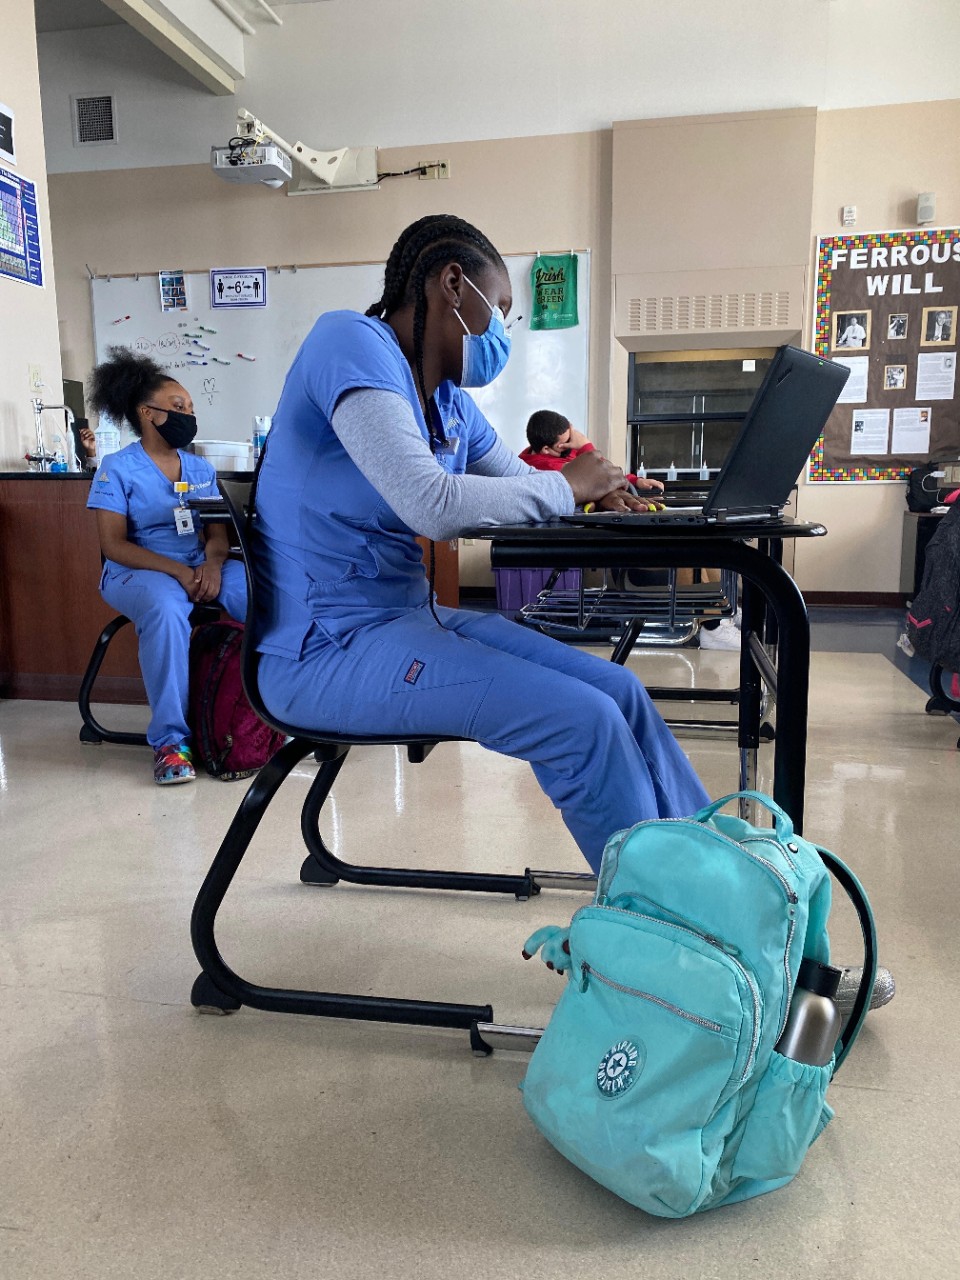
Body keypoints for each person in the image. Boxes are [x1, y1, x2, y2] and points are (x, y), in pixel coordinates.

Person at [252, 214, 709, 873]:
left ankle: (708, 878)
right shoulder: (349, 342)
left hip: (407, 623)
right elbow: (431, 503)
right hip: (320, 652)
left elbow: (525, 484)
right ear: (451, 284)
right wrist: (567, 486)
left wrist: (600, 488)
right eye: (498, 309)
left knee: (619, 694)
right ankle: (664, 930)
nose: (502, 331)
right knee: (582, 724)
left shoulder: (449, 404)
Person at [86, 347, 248, 785]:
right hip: (135, 571)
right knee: (167, 607)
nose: (188, 416)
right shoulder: (117, 469)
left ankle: (279, 714)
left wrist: (213, 567)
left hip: (197, 564)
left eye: (191, 408)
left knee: (257, 594)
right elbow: (113, 545)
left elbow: (217, 536)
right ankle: (171, 743)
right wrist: (177, 573)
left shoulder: (199, 468)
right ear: (147, 413)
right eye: (178, 408)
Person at [519, 408, 665, 503]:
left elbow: (607, 472)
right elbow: (602, 477)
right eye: (567, 441)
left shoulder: (556, 451)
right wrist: (586, 446)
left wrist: (635, 481)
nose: (573, 443)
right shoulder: (545, 467)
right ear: (546, 449)